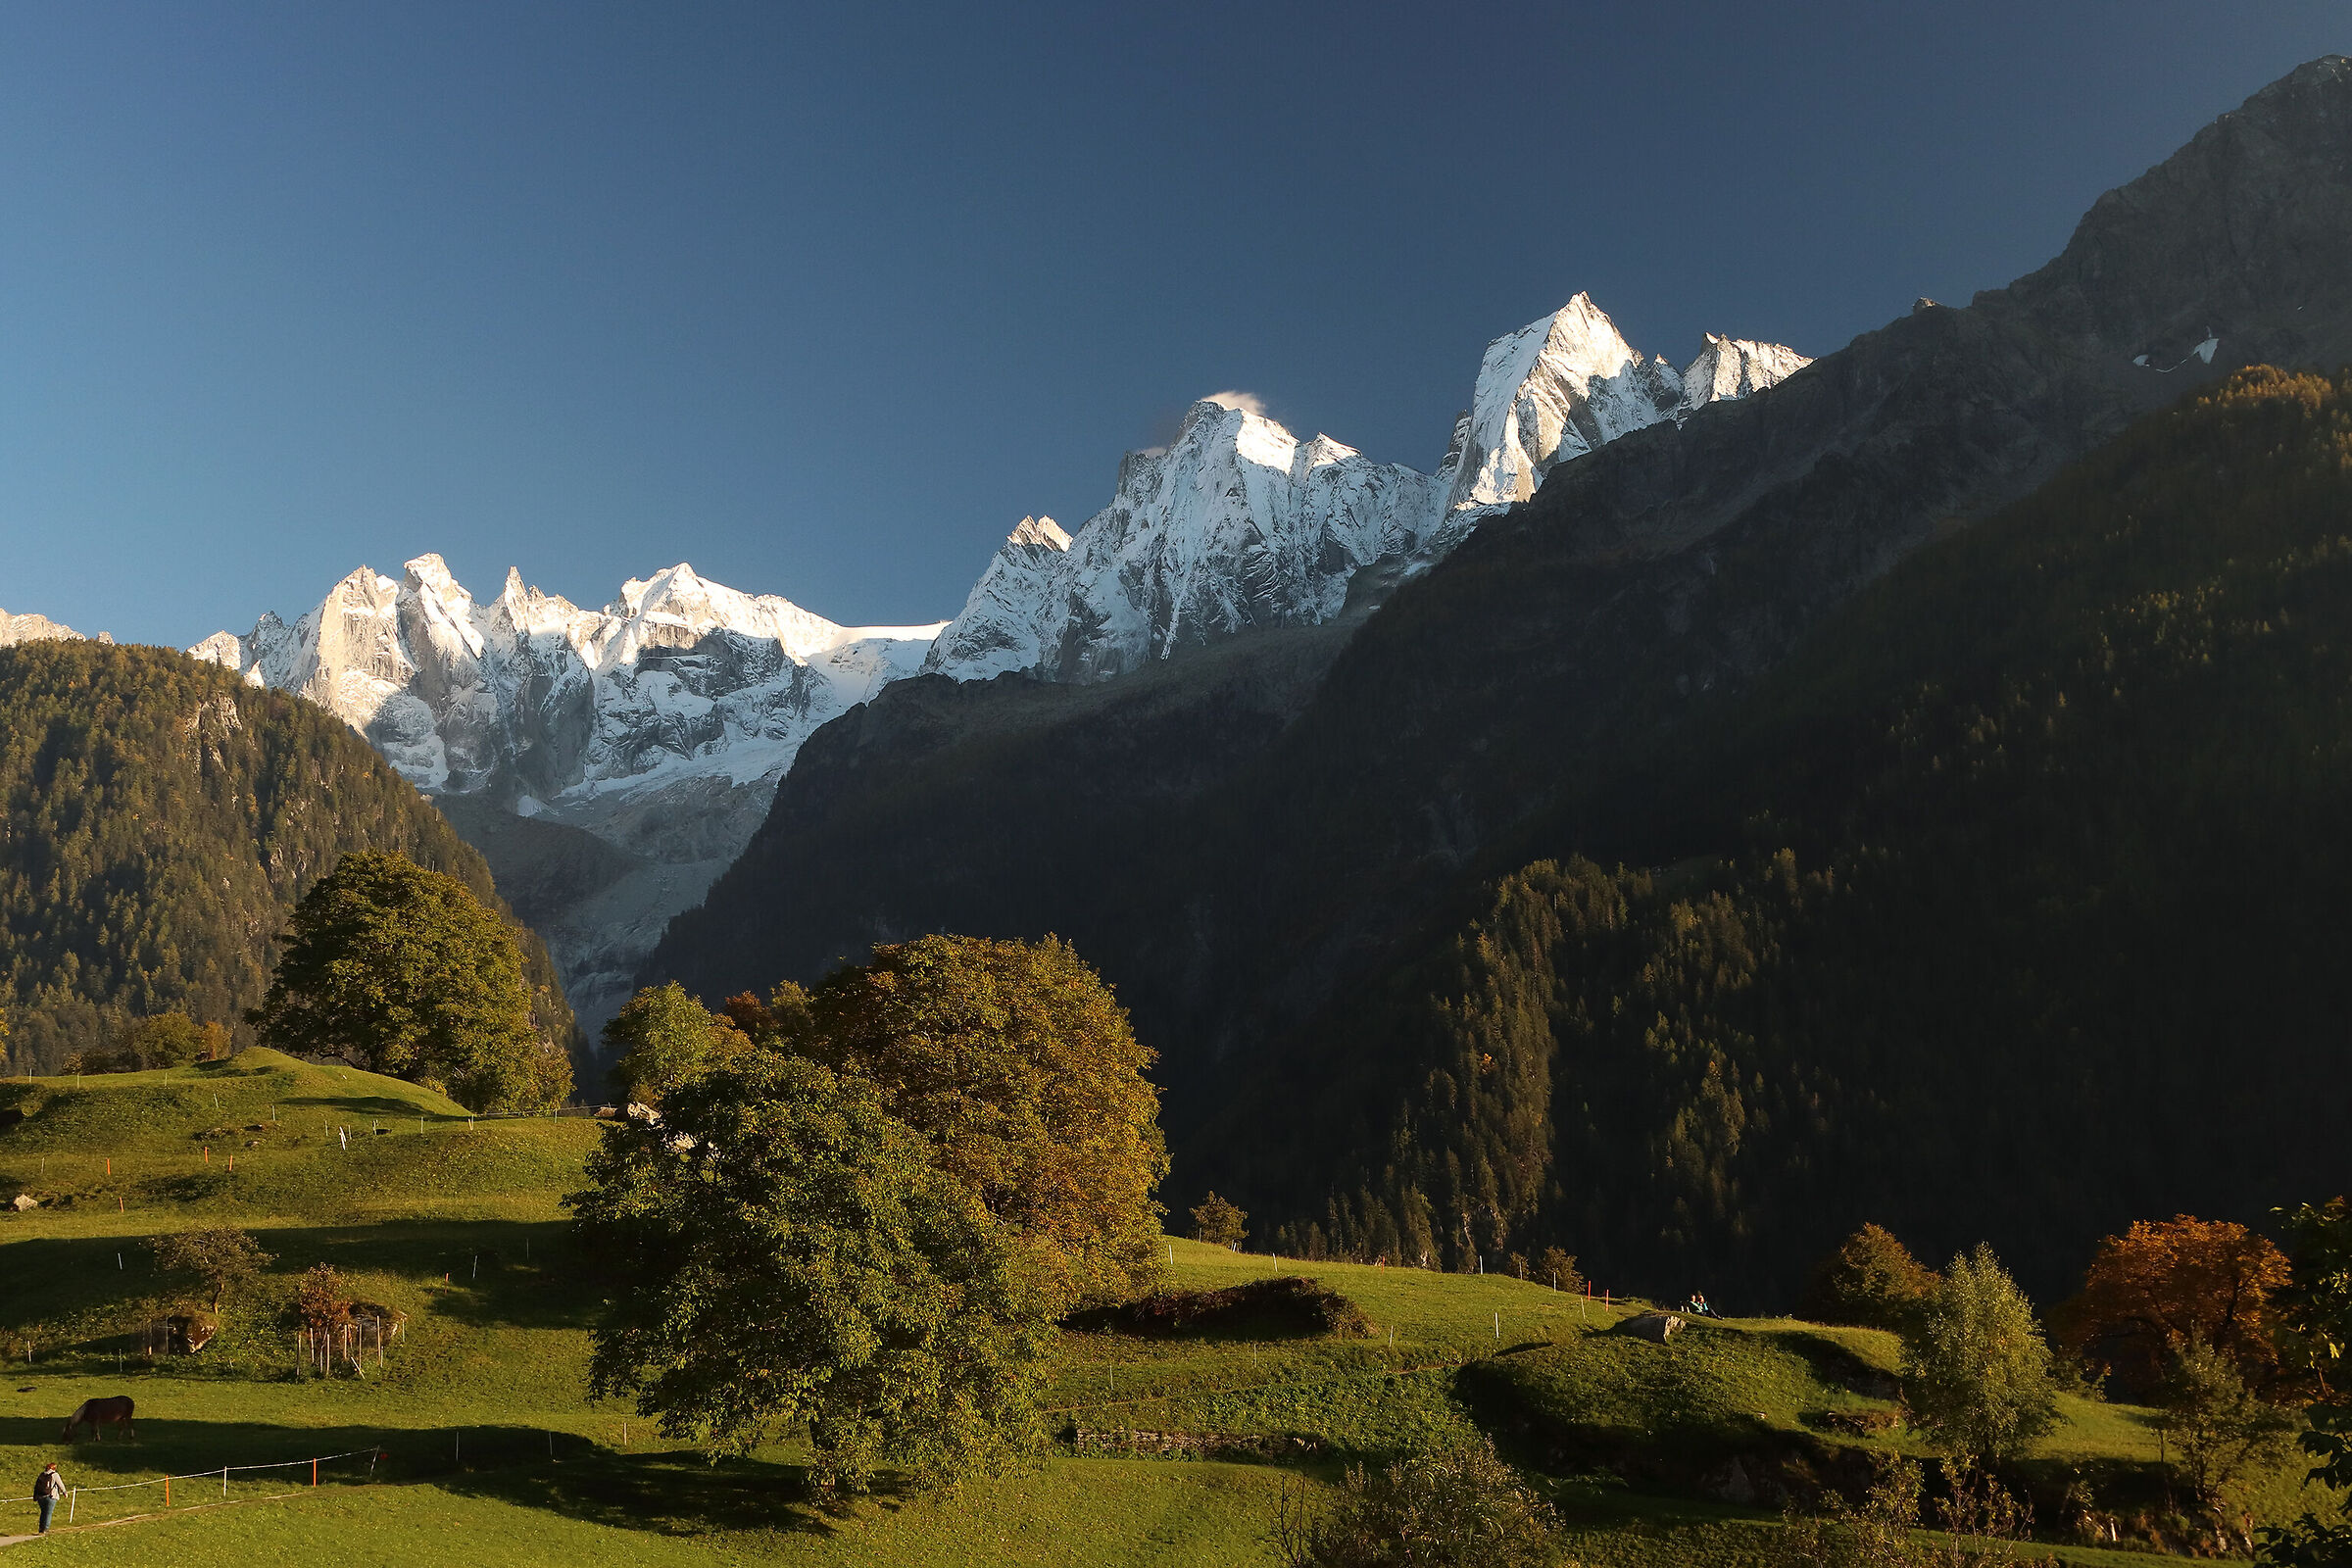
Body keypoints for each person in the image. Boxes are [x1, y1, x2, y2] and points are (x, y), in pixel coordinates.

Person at [33, 1461, 65, 1534]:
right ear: (54, 1468)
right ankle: (46, 1529)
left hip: (40, 1497)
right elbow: (60, 1484)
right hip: (51, 1496)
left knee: (43, 1512)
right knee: (48, 1513)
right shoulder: (55, 1475)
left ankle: (41, 1529)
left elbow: (36, 1486)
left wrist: (35, 1496)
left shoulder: (42, 1474)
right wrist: (64, 1492)